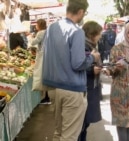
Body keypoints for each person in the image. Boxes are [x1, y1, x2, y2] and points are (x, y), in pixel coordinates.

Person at [42, 0, 100, 140]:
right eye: (84, 13)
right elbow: (78, 64)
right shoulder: (76, 31)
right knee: (69, 136)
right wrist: (92, 58)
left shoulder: (51, 28)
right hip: (71, 89)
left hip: (53, 88)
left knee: (59, 133)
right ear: (80, 11)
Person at [78, 21, 103, 141]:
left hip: (90, 86)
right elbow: (78, 65)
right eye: (99, 33)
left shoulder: (90, 44)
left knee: (84, 123)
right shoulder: (83, 45)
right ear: (92, 33)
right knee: (81, 124)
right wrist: (92, 69)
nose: (100, 36)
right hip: (86, 87)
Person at [29, 18, 51, 104]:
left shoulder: (41, 33)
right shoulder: (48, 32)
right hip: (47, 55)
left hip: (42, 56)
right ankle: (46, 96)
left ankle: (46, 97)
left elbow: (34, 42)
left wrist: (30, 37)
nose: (35, 26)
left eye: (36, 24)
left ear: (39, 25)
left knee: (41, 75)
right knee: (45, 75)